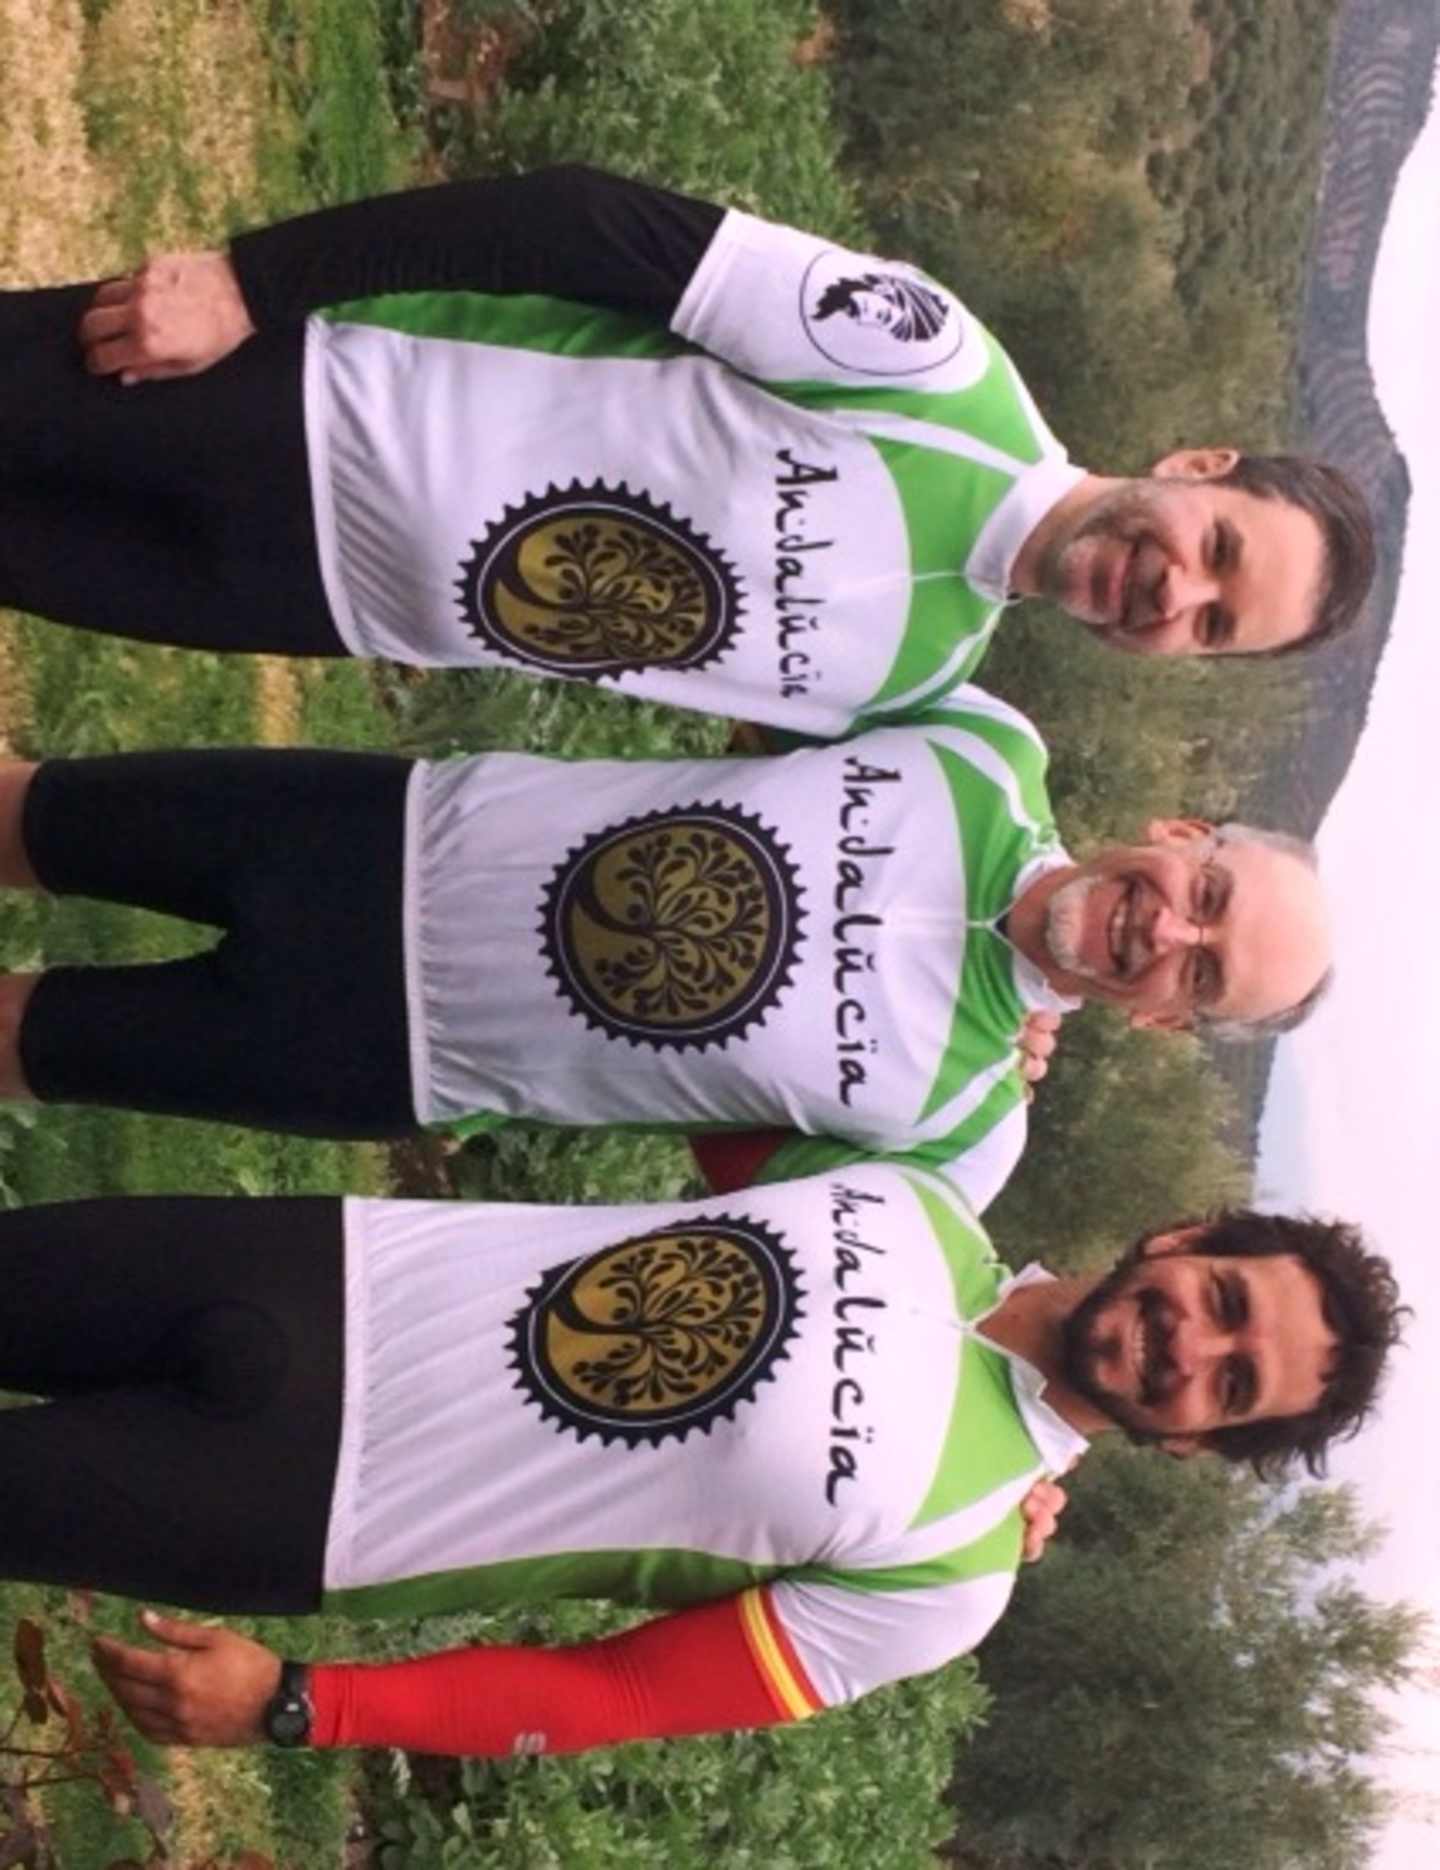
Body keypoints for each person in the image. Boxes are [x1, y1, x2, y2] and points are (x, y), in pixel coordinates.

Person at [29, 1165, 1396, 1755]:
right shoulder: (920, 1186)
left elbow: (620, 1690)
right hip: (307, 1261)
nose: (1190, 1345)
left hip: (304, 1505)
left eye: (1231, 1384)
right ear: (1186, 1241)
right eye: (1226, 1300)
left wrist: (302, 1706)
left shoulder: (958, 1568)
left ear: (1195, 1442)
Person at [3, 167, 1373, 742]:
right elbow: (587, 226)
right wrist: (253, 281)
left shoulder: (912, 684)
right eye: (1218, 551)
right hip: (304, 404)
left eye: (1213, 624)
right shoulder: (936, 367)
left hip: (300, 603)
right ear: (1200, 466)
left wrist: (1025, 1012)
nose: (1175, 591)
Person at [0, 689, 1330, 1208]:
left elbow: (734, 1173)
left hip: (382, 1051)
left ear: (1167, 1020)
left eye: (1201, 971)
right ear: (1180, 832)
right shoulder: (986, 743)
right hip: (389, 827)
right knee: (31, 818)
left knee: (27, 1041)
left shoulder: (967, 1131)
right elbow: (754, 691)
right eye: (1205, 891)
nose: (1168, 928)